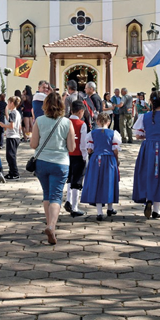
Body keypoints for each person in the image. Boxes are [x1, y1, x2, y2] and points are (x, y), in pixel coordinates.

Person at [30, 91, 75, 245]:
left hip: (42, 162)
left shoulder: (39, 121)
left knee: (47, 194)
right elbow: (71, 147)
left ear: (45, 105)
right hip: (61, 162)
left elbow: (33, 144)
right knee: (56, 196)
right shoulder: (67, 122)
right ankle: (51, 226)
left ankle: (49, 225)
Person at [81, 112, 121, 220]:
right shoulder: (113, 134)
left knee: (97, 182)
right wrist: (117, 161)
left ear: (97, 122)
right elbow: (115, 150)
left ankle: (99, 212)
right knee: (110, 182)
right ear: (109, 122)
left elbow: (89, 149)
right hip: (109, 159)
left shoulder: (92, 134)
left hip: (96, 160)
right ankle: (110, 208)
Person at [63, 100, 88, 219]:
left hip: (66, 155)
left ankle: (68, 200)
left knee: (69, 178)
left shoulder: (64, 122)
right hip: (78, 155)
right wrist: (85, 157)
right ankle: (75, 207)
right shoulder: (81, 124)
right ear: (80, 111)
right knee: (77, 181)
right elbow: (83, 143)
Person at [0, 96, 22, 180]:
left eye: (8, 103)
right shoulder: (17, 113)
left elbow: (11, 126)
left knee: (10, 155)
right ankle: (11, 172)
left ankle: (15, 173)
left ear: (12, 103)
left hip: (12, 136)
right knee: (11, 155)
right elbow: (18, 126)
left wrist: (3, 125)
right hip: (15, 136)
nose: (7, 104)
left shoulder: (12, 113)